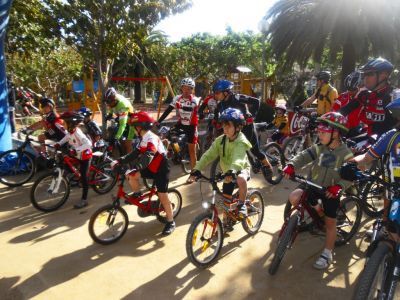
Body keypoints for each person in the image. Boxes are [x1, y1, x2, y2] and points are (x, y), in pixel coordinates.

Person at [282, 111, 354, 269]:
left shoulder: (346, 154)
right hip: (313, 184)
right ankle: (317, 210)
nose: (319, 135)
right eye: (319, 131)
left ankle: (327, 253)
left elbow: (350, 177)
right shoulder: (320, 147)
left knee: (330, 223)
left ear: (336, 133)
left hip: (330, 191)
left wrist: (339, 186)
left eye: (323, 132)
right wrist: (292, 164)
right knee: (294, 197)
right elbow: (304, 156)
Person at [111, 111, 176, 235]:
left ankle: (170, 221)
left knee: (162, 195)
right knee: (131, 176)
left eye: (134, 127)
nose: (134, 130)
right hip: (151, 167)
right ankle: (137, 193)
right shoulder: (143, 138)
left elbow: (149, 154)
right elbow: (135, 153)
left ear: (139, 127)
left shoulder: (151, 138)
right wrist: (119, 160)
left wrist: (138, 167)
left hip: (161, 169)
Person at [349, 90, 400, 236]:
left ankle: (384, 226)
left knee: (389, 200)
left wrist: (352, 163)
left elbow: (367, 158)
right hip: (392, 187)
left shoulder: (391, 136)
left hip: (392, 185)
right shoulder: (390, 136)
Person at [189, 108, 252, 218]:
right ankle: (226, 221)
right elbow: (208, 155)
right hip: (227, 172)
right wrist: (196, 169)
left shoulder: (241, 141)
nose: (225, 128)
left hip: (240, 168)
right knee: (225, 201)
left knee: (241, 178)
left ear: (238, 127)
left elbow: (238, 158)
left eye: (229, 126)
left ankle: (242, 204)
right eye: (224, 125)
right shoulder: (220, 140)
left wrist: (232, 171)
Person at [212, 79, 273, 174]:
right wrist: (216, 122)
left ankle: (267, 166)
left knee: (255, 151)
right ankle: (237, 173)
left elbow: (256, 102)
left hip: (247, 127)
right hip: (233, 130)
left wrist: (252, 116)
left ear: (226, 92)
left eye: (217, 93)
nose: (215, 95)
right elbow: (216, 116)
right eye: (214, 93)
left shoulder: (237, 98)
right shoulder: (221, 105)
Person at [340, 57, 396, 136]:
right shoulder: (365, 95)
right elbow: (345, 110)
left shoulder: (394, 96)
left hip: (388, 142)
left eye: (370, 74)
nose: (365, 78)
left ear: (384, 75)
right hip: (370, 136)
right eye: (364, 74)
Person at [157, 77, 200, 176]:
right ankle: (175, 152)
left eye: (189, 88)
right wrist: (159, 121)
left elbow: (190, 109)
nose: (186, 90)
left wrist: (180, 106)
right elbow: (168, 110)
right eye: (184, 88)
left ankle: (194, 174)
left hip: (192, 126)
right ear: (181, 88)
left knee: (192, 152)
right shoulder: (177, 98)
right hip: (181, 123)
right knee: (167, 134)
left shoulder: (195, 99)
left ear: (192, 90)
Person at [55, 111, 93, 209]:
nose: (63, 124)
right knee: (66, 160)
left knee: (84, 177)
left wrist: (76, 150)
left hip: (85, 155)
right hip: (77, 154)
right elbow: (67, 137)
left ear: (71, 123)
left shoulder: (78, 132)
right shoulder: (71, 131)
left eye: (64, 122)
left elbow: (89, 144)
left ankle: (84, 200)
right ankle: (75, 177)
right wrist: (59, 143)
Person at [104, 87, 135, 154]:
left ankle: (130, 162)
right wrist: (110, 114)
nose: (108, 105)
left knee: (128, 143)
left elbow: (122, 125)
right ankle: (123, 155)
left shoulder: (122, 105)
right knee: (120, 140)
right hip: (122, 117)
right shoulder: (113, 101)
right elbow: (112, 107)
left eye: (109, 102)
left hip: (131, 122)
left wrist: (117, 137)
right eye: (107, 102)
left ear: (114, 100)